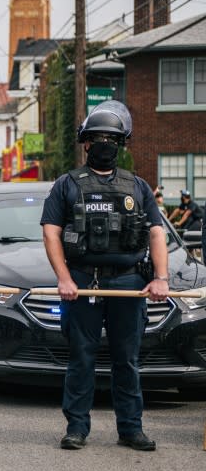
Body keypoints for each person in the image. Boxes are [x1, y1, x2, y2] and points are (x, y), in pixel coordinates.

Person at [40, 100, 168, 451]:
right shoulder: (66, 185)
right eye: (97, 138)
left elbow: (156, 232)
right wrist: (64, 278)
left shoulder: (138, 187)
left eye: (111, 139)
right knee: (81, 357)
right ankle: (77, 428)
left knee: (127, 359)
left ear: (121, 144)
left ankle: (131, 428)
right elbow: (51, 232)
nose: (103, 144)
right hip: (83, 281)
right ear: (85, 143)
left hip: (128, 281)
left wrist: (161, 278)